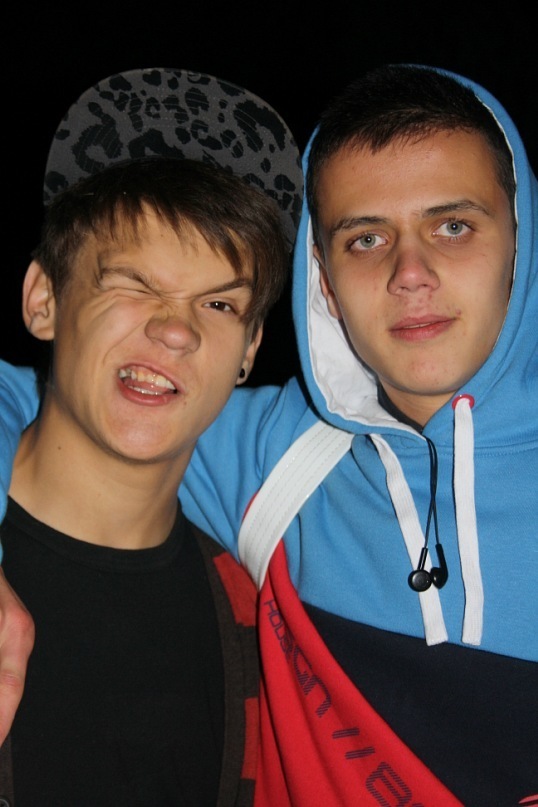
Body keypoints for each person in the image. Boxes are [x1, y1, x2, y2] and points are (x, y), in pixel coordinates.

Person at [0, 64, 536, 806]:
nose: (411, 272)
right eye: (366, 237)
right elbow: (49, 393)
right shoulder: (280, 457)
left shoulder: (237, 461)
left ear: (522, 241)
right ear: (324, 280)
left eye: (453, 226)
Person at [0, 66, 303, 806]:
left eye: (219, 304)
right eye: (134, 283)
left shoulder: (262, 624)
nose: (175, 330)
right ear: (44, 300)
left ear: (250, 351)